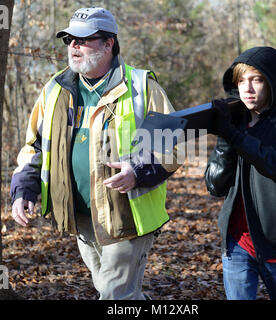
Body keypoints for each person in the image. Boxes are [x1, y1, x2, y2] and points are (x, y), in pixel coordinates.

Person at [10, 7, 179, 300]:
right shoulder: (55, 89)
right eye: (70, 39)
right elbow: (35, 146)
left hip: (128, 217)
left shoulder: (140, 86)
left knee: (114, 295)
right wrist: (24, 188)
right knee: (113, 291)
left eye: (83, 39)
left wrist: (138, 171)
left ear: (109, 43)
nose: (74, 46)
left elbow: (173, 143)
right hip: (81, 217)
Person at [205, 46, 276, 300]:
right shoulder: (233, 126)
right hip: (237, 244)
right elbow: (215, 186)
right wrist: (225, 138)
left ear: (272, 83)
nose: (247, 89)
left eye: (257, 80)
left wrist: (235, 136)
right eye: (241, 81)